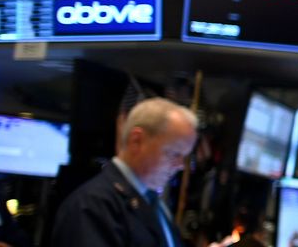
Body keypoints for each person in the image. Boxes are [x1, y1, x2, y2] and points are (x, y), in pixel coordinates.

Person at [52, 97, 199, 247]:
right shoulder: (93, 204)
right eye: (174, 153)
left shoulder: (153, 201)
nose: (181, 166)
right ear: (136, 140)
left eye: (184, 157)